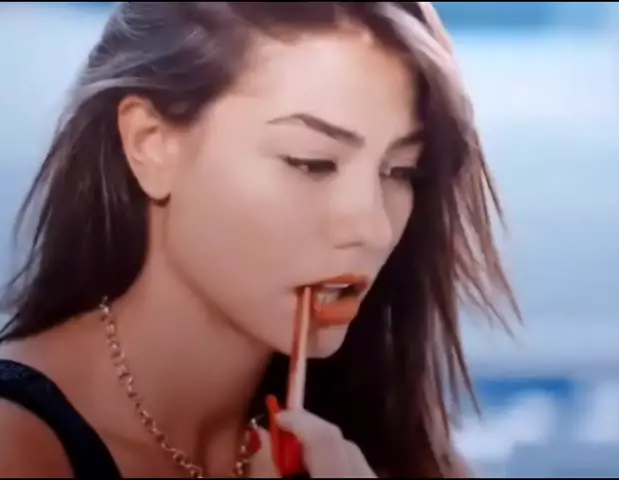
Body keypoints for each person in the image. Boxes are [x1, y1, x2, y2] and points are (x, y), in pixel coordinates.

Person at [0, 2, 519, 478]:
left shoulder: (394, 450)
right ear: (151, 143)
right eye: (311, 162)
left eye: (402, 170)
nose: (373, 228)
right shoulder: (18, 445)